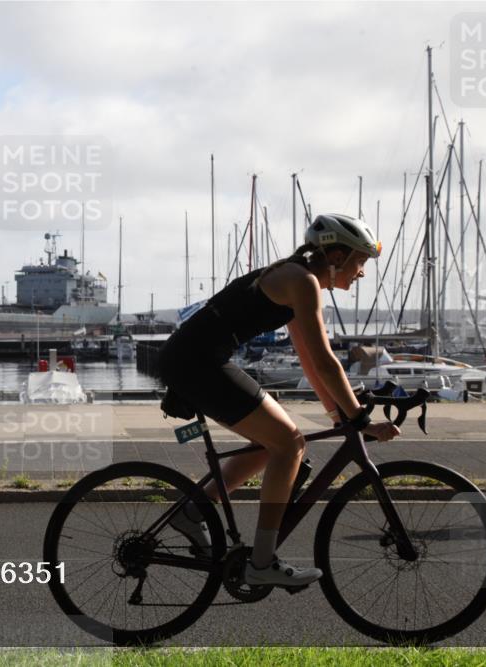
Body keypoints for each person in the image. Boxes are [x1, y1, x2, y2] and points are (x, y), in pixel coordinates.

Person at [158, 214, 401, 587]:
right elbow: (326, 362)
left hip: (193, 359)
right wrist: (360, 419)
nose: (362, 272)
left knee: (273, 444)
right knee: (289, 444)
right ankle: (262, 562)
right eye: (360, 261)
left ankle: (194, 510)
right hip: (197, 363)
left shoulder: (296, 277)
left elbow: (310, 361)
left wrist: (338, 415)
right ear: (337, 256)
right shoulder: (302, 282)